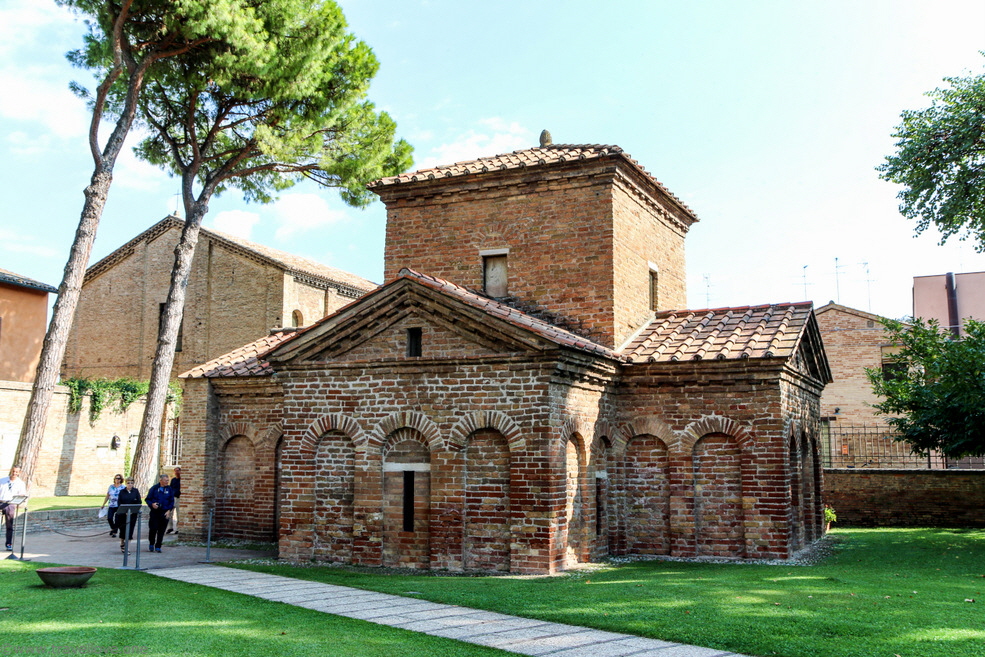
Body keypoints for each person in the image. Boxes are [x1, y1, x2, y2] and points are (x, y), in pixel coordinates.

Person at [0, 465, 29, 551]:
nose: (14, 473)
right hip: (1, 501)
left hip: (10, 504)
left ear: (19, 472)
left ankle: (9, 543)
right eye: (13, 471)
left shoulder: (20, 483)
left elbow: (22, 494)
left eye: (16, 472)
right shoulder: (2, 480)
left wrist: (20, 496)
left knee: (9, 523)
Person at [145, 473, 175, 552]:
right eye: (165, 480)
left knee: (161, 530)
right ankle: (151, 543)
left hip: (165, 512)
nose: (167, 482)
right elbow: (148, 499)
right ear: (160, 480)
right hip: (155, 512)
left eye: (168, 480)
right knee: (153, 529)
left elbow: (172, 501)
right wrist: (152, 504)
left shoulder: (169, 489)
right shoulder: (154, 488)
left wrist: (169, 510)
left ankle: (158, 546)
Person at [115, 477, 142, 553]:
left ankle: (127, 548)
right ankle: (122, 543)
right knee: (123, 530)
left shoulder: (135, 491)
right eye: (128, 483)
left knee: (130, 530)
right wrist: (124, 511)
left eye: (131, 483)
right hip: (123, 515)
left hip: (132, 514)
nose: (130, 484)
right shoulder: (122, 492)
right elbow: (120, 502)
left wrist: (133, 510)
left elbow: (139, 501)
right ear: (126, 483)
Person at [166, 466, 181, 534]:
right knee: (169, 513)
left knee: (179, 514)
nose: (176, 472)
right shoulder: (173, 480)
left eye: (178, 470)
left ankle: (178, 528)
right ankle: (170, 527)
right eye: (175, 471)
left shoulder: (182, 480)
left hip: (179, 498)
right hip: (173, 498)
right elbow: (171, 488)